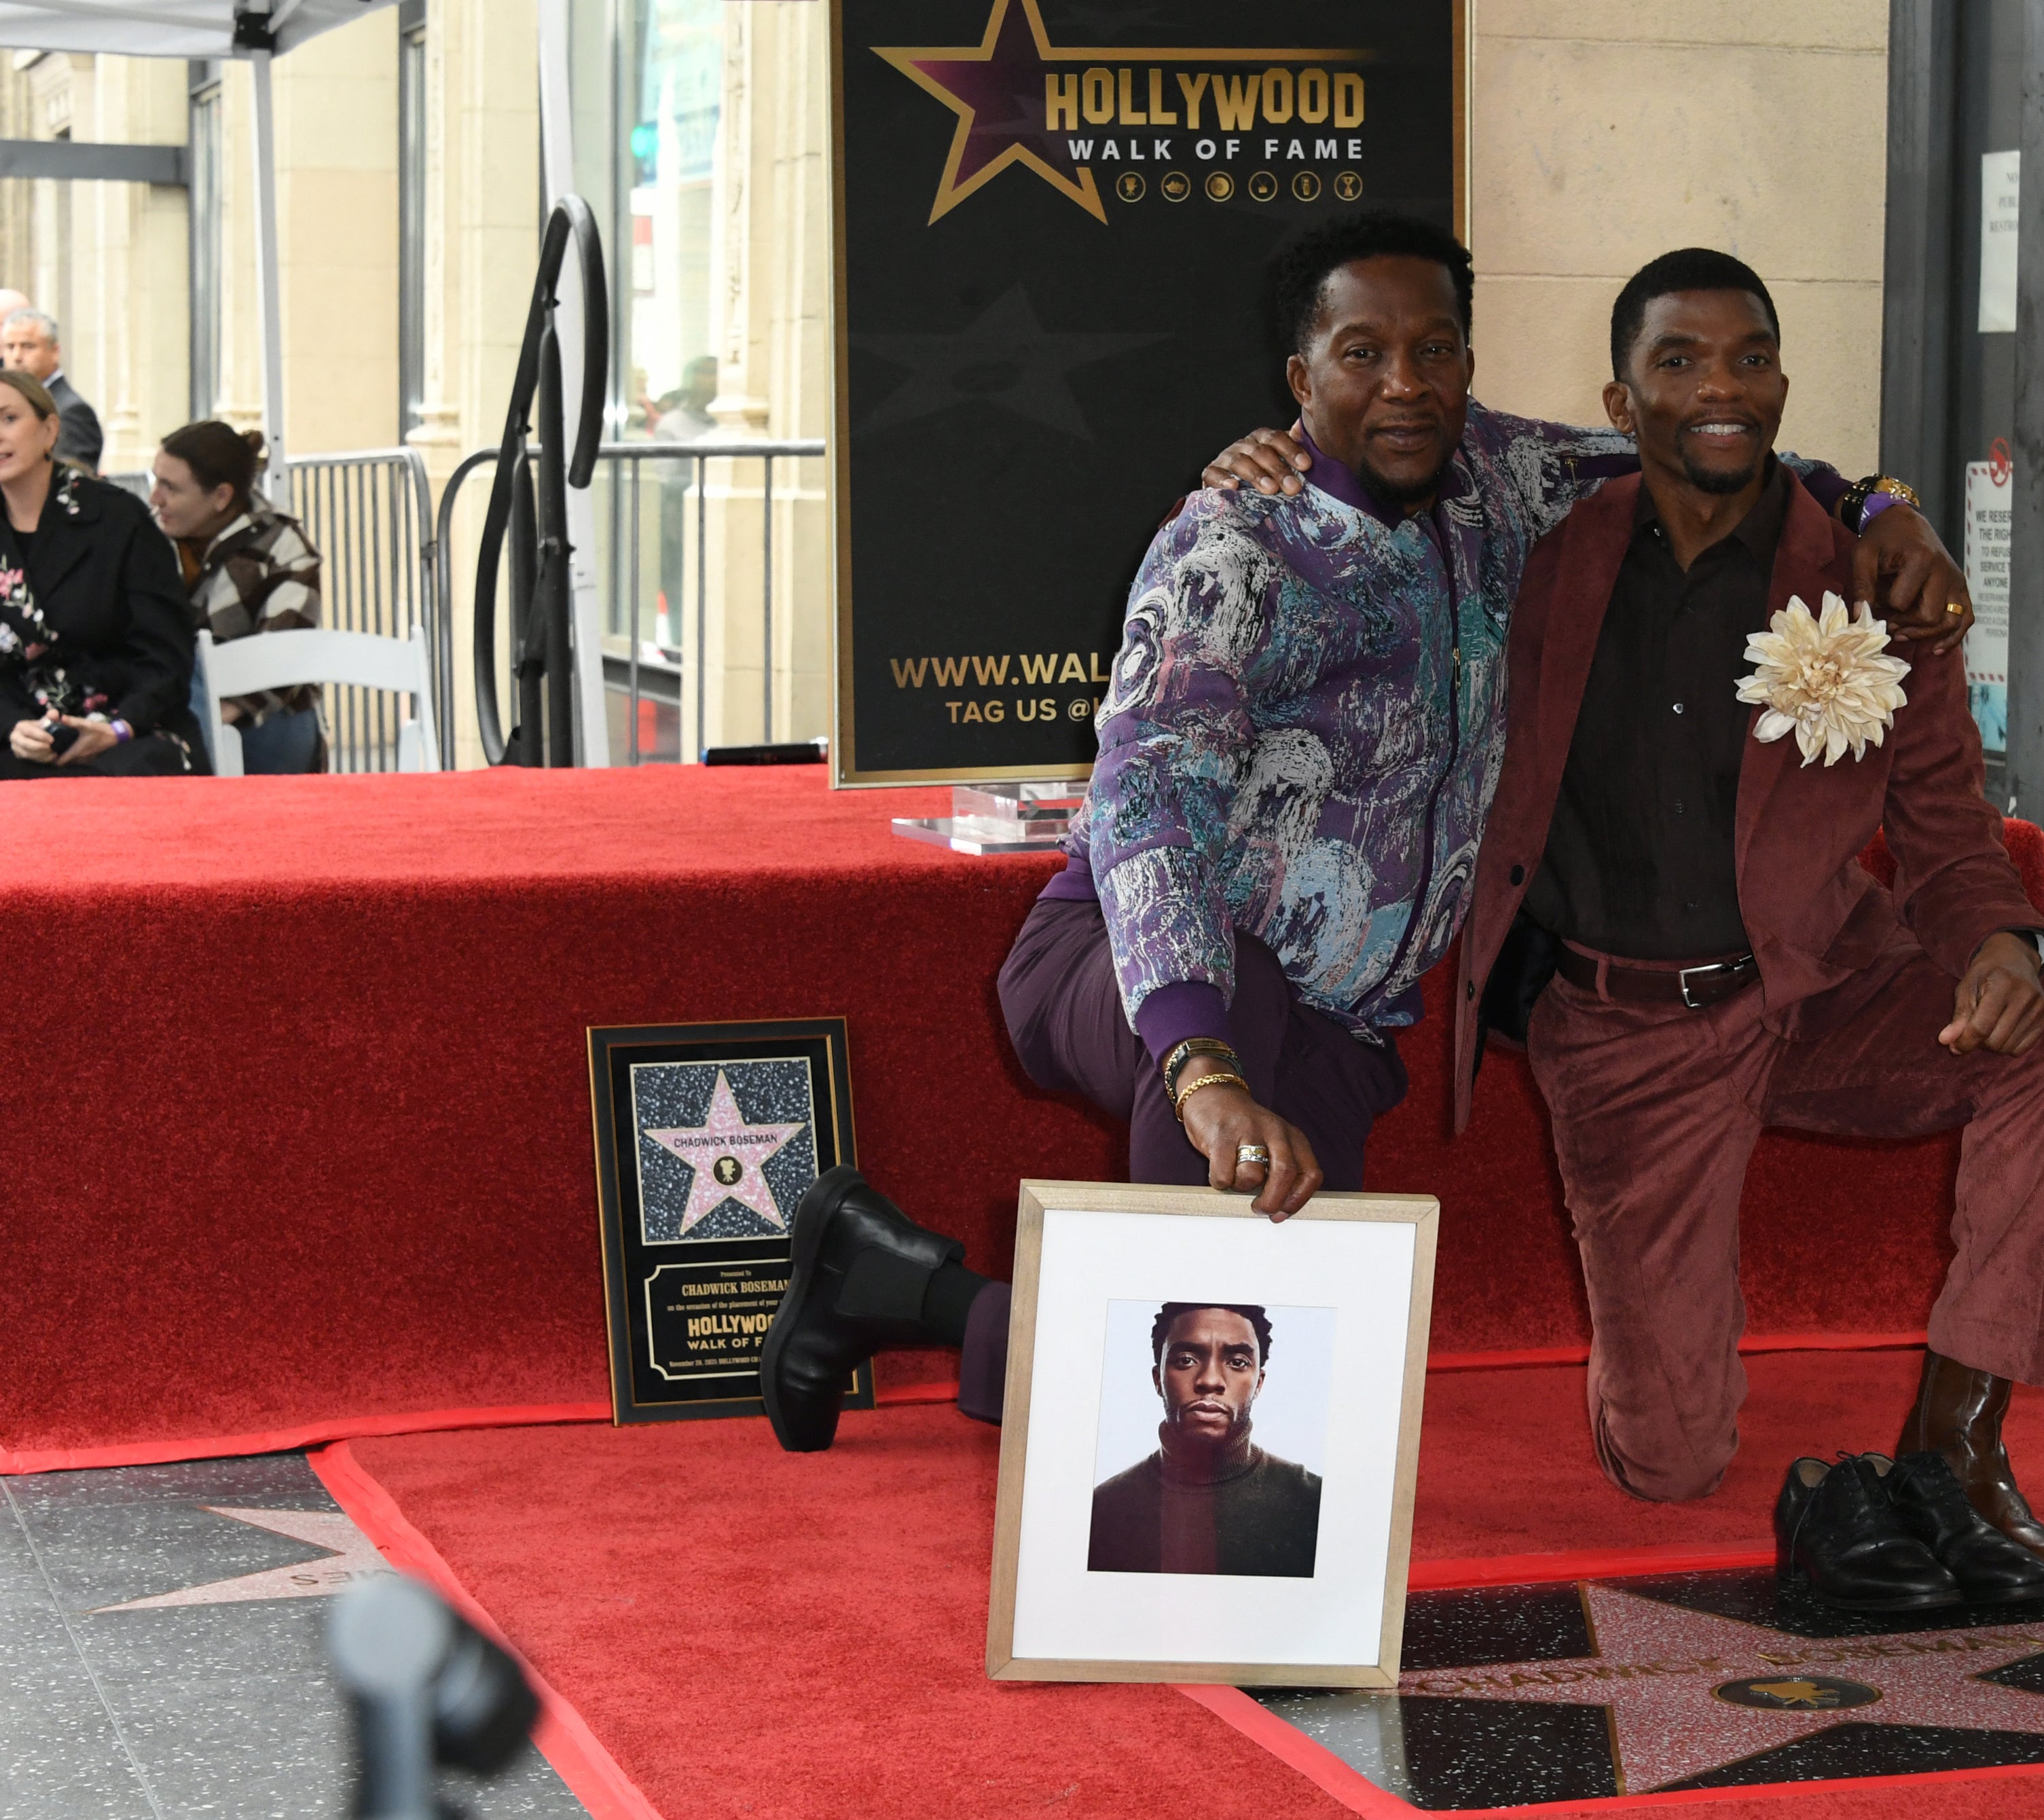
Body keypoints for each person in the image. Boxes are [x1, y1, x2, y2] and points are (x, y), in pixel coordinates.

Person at [755, 213, 1973, 1455]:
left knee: (1263, 1368)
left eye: (1434, 350)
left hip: (1336, 1029)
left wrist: (1887, 509)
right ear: (1301, 378)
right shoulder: (1227, 547)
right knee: (1219, 1356)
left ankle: (887, 1288)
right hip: (1152, 975)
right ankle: (1164, 1590)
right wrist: (1205, 1068)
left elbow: (1709, 446)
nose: (1404, 384)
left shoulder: (1504, 484)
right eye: (1361, 353)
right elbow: (1144, 799)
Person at [1448, 251, 2044, 1600]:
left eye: (1749, 358)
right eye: (1680, 363)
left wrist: (2002, 941)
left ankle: (1958, 1438)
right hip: (1625, 1032)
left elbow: (1940, 815)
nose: (1721, 388)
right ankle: (1809, 1480)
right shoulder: (1541, 555)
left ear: (1783, 383)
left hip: (1820, 985)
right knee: (1670, 1459)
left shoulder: (1870, 576)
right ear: (1618, 402)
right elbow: (1388, 449)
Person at [0, 370, 206, 777]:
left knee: (136, 777)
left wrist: (118, 728)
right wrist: (12, 728)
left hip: (127, 729)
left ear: (49, 429)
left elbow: (166, 655)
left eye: (8, 419)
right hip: (18, 733)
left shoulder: (117, 519)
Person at [1087, 1303, 1323, 1577]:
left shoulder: (1313, 1504)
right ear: (1158, 1380)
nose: (1210, 1380)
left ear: (1259, 1383)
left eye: (1237, 1362)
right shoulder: (1101, 1511)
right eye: (1186, 1359)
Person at [149, 420, 327, 774]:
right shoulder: (150, 538)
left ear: (221, 497)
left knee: (200, 667)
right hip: (169, 710)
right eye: (156, 480)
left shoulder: (283, 544)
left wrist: (215, 715)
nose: (155, 498)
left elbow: (286, 653)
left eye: (170, 487)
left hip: (262, 722)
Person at [1, 309, 103, 472]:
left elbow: (67, 481)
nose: (17, 356)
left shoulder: (72, 412)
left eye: (28, 346)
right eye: (10, 347)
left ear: (55, 352)